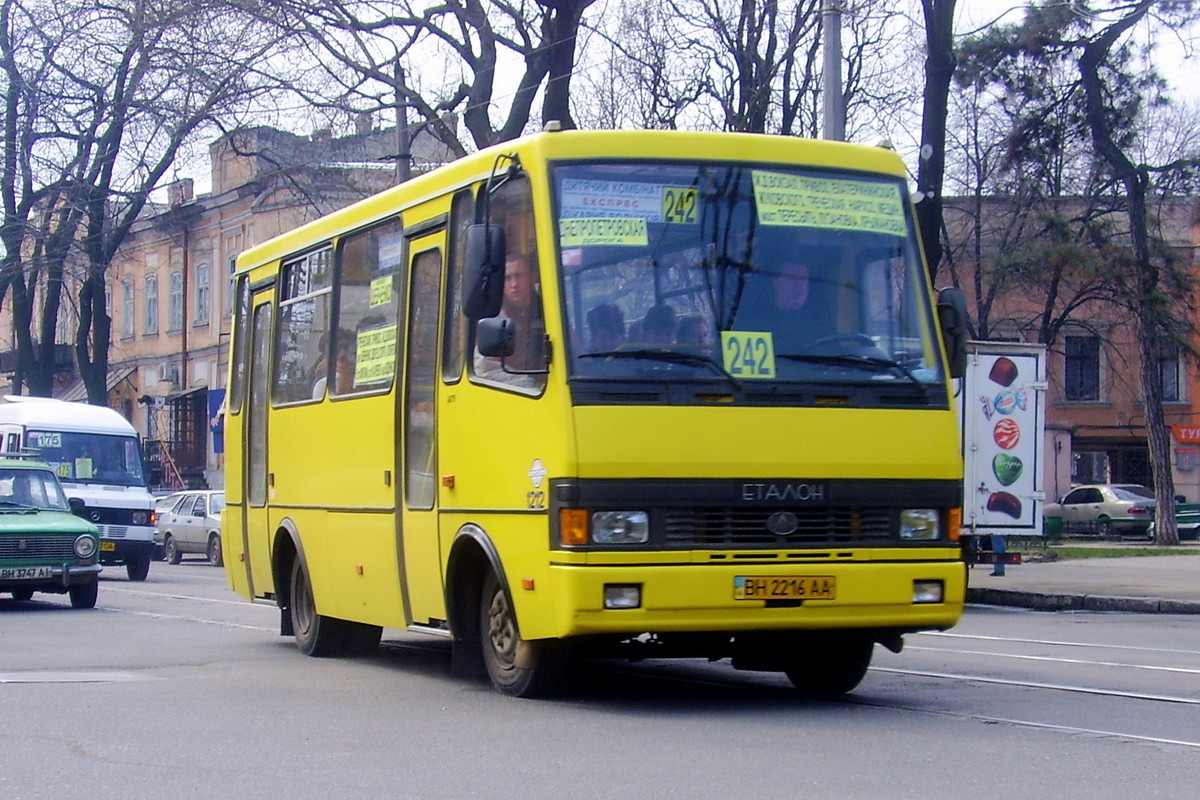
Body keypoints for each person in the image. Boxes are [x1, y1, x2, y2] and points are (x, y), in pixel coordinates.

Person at [474, 252, 545, 388]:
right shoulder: (493, 316)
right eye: (507, 278)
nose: (514, 284)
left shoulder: (548, 309)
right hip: (517, 392)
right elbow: (485, 369)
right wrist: (529, 385)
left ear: (530, 277)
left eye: (519, 276)